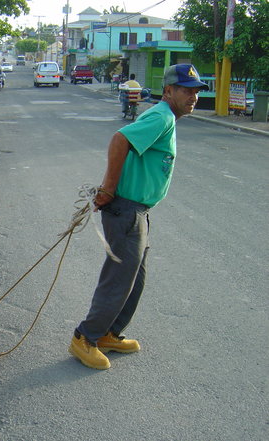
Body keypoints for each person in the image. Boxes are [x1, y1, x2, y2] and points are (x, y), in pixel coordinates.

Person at [68, 64, 209, 370]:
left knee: (135, 279)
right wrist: (108, 188)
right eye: (187, 90)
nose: (193, 97)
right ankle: (85, 337)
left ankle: (108, 332)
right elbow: (120, 140)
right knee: (119, 280)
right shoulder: (161, 116)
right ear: (168, 91)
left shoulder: (166, 117)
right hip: (126, 209)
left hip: (137, 211)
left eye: (197, 91)